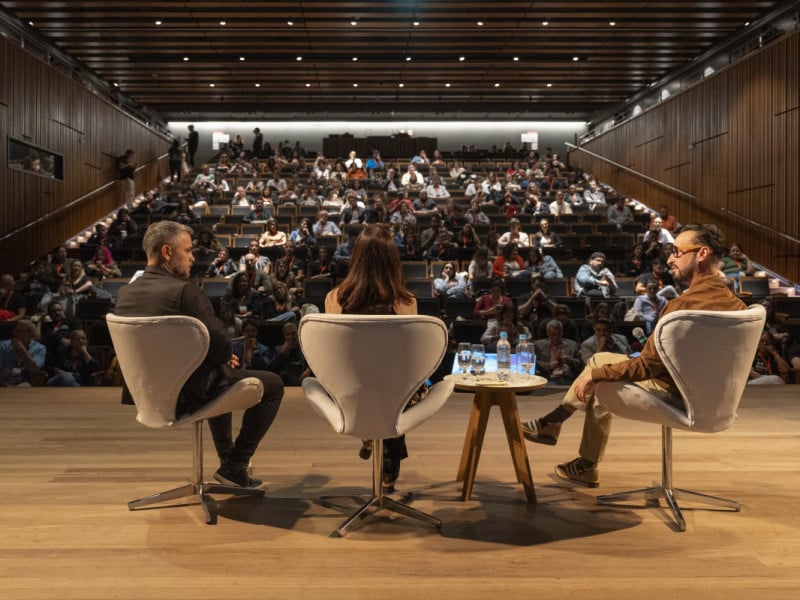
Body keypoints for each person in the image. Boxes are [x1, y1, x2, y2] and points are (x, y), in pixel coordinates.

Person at [520, 224, 747, 488]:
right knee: (601, 363)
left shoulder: (680, 307)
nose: (670, 258)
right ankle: (579, 457)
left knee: (598, 370)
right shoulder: (739, 308)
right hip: (713, 402)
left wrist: (595, 376)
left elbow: (645, 368)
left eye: (677, 251)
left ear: (703, 253)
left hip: (674, 396)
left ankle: (558, 425)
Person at [115, 221, 284, 488]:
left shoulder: (125, 294)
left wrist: (220, 356)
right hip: (185, 394)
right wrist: (225, 354)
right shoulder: (185, 292)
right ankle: (235, 464)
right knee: (272, 384)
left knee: (219, 371)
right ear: (168, 252)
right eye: (188, 250)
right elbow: (219, 340)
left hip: (145, 395)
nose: (193, 257)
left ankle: (228, 461)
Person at [325, 224, 418, 493]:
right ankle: (389, 461)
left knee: (377, 386)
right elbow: (409, 358)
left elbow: (332, 354)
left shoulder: (335, 298)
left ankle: (369, 435)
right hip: (394, 394)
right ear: (393, 261)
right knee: (401, 385)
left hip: (347, 392)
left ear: (356, 260)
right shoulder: (407, 301)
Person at [533, 320, 581, 385]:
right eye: (553, 334)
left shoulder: (572, 344)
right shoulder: (538, 345)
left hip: (568, 377)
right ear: (547, 333)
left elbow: (580, 363)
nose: (556, 337)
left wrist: (570, 361)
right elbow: (534, 363)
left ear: (562, 332)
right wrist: (549, 365)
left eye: (558, 334)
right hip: (549, 378)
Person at [0, 319, 46, 386]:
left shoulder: (39, 348)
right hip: (3, 384)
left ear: (30, 333)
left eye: (20, 331)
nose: (16, 334)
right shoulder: (3, 345)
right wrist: (6, 386)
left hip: (23, 385)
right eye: (15, 330)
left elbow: (34, 369)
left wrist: (21, 349)